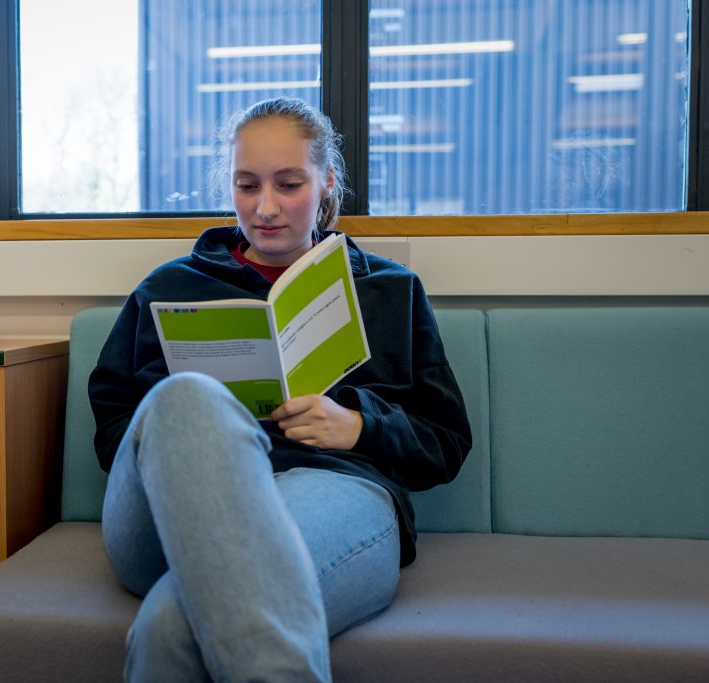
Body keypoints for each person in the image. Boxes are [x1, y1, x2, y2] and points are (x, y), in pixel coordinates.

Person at [89, 96, 471, 682]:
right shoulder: (168, 288)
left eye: (288, 184)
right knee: (183, 399)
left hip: (334, 488)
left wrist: (362, 425)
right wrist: (209, 439)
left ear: (325, 184)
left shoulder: (392, 291)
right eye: (247, 186)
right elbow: (114, 430)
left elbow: (446, 440)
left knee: (170, 625)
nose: (265, 208)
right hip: (173, 509)